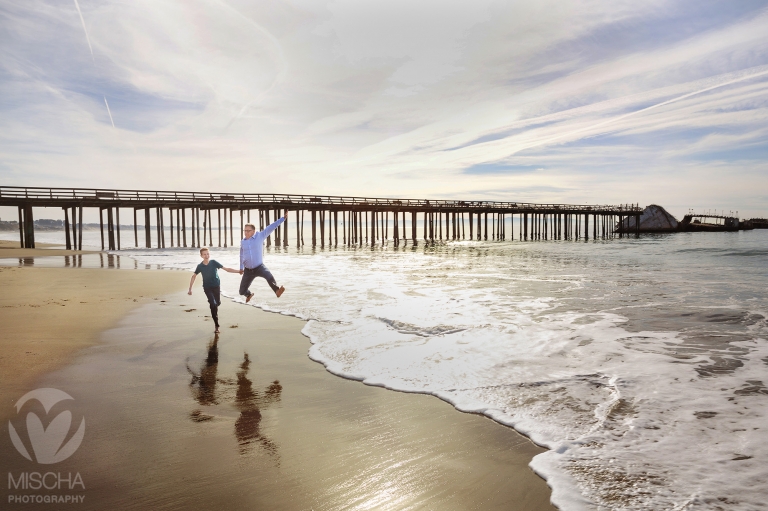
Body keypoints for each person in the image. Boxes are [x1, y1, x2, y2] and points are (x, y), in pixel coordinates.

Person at [189, 247, 241, 333]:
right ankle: (217, 325)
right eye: (204, 254)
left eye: (208, 254)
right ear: (201, 256)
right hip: (207, 287)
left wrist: (238, 271)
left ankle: (213, 303)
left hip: (216, 286)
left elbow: (227, 269)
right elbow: (194, 276)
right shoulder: (200, 266)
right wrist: (190, 288)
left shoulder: (214, 262)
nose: (206, 255)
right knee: (213, 304)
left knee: (217, 303)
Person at [239, 213, 286, 303]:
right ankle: (248, 294)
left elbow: (271, 227)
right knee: (241, 291)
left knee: (269, 276)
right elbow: (241, 255)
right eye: (245, 230)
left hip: (259, 267)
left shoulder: (260, 236)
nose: (246, 232)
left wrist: (282, 219)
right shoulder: (243, 242)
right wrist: (241, 268)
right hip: (248, 270)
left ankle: (277, 291)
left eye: (248, 230)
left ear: (253, 231)